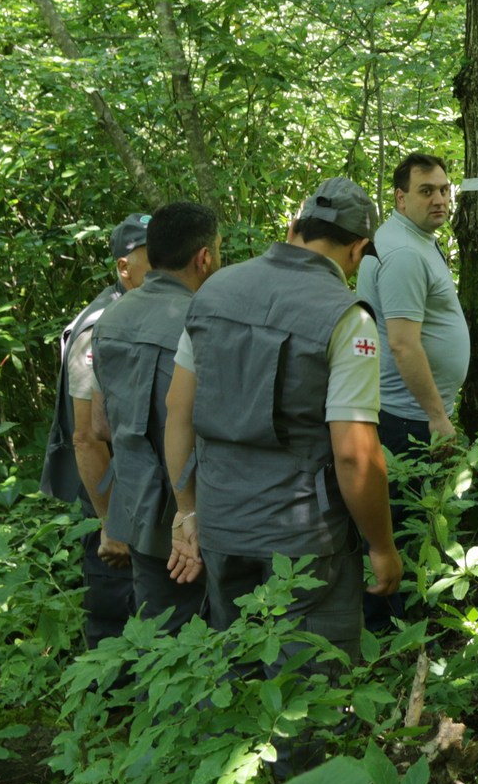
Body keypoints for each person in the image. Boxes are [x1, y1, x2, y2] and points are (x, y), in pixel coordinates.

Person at [161, 178, 398, 665]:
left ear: (293, 227)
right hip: (305, 545)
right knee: (307, 696)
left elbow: (177, 411)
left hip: (222, 524)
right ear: (357, 250)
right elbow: (355, 455)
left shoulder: (213, 291)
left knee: (237, 672)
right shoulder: (347, 318)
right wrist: (382, 545)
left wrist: (188, 511)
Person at [93, 201, 219, 631]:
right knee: (216, 644)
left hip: (138, 510)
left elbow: (97, 426)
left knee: (158, 644)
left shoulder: (110, 317)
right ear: (204, 257)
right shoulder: (203, 321)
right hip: (201, 511)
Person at [358, 153, 467, 633]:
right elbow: (403, 344)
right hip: (406, 418)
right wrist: (437, 417)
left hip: (405, 412)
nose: (440, 199)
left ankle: (403, 623)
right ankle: (395, 633)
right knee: (403, 526)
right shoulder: (403, 253)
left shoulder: (412, 239)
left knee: (409, 522)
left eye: (444, 189)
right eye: (427, 191)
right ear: (401, 197)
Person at [39, 213, 149, 648]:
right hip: (109, 501)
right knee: (115, 619)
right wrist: (110, 523)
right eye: (151, 258)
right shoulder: (101, 325)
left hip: (138, 495)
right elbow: (86, 436)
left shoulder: (142, 311)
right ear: (124, 267)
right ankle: (111, 708)